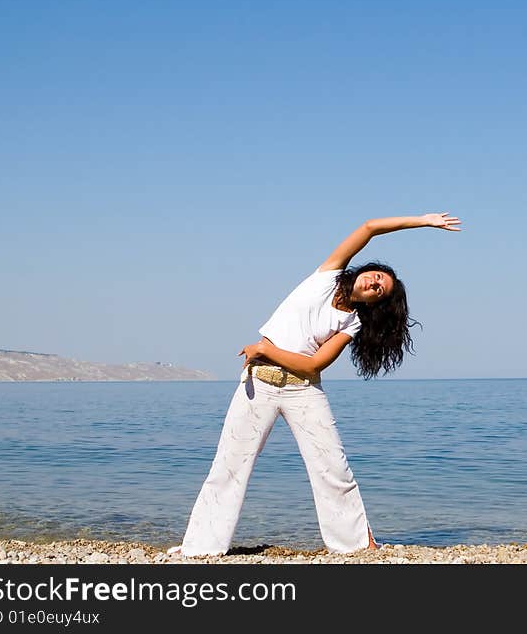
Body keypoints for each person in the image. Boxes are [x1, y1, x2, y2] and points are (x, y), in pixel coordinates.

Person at [168, 212, 462, 556]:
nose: (374, 283)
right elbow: (369, 228)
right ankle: (201, 547)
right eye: (377, 276)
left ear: (375, 303)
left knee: (332, 467)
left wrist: (266, 348)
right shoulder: (327, 275)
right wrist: (423, 221)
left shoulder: (351, 324)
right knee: (229, 466)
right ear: (366, 271)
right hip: (258, 384)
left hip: (303, 389)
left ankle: (354, 545)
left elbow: (313, 364)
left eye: (380, 290)